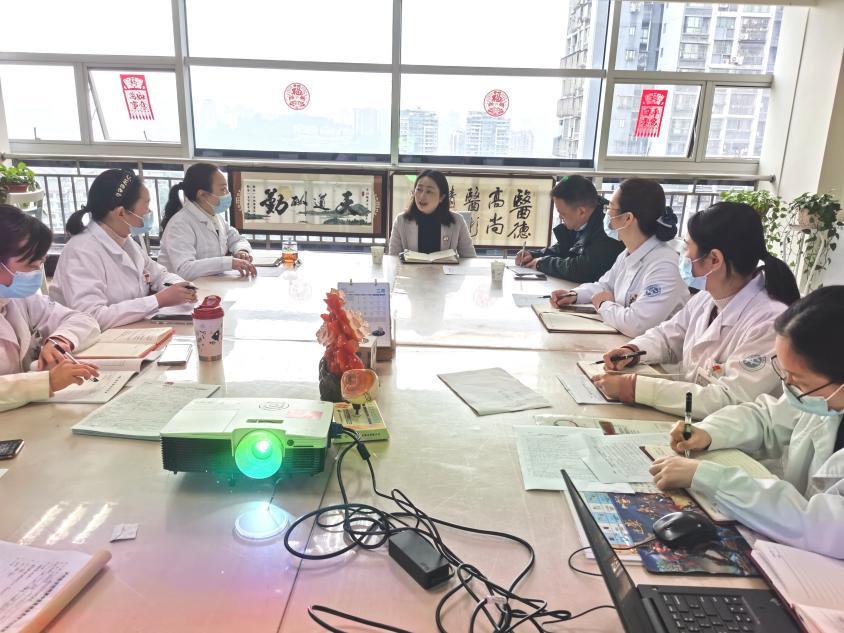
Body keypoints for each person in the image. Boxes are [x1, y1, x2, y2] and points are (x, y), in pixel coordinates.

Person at [650, 286, 844, 559]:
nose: (789, 386)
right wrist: (709, 433)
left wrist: (711, 479)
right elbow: (766, 418)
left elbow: (826, 525)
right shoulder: (825, 396)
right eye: (785, 374)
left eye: (799, 381)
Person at [593, 202, 800, 418]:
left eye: (687, 247)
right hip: (691, 420)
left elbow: (728, 399)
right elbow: (668, 335)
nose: (683, 256)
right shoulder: (707, 297)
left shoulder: (770, 322)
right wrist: (633, 351)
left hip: (735, 433)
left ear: (714, 260)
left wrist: (635, 388)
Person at [50, 169, 197, 330]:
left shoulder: (124, 240)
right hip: (91, 339)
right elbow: (91, 317)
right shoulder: (81, 251)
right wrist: (158, 300)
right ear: (121, 213)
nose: (149, 212)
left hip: (129, 331)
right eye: (146, 206)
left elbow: (159, 275)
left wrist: (180, 287)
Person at [549, 178, 687, 337]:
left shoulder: (665, 265)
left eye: (610, 208)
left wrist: (603, 304)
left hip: (651, 351)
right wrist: (574, 295)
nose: (606, 214)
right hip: (624, 342)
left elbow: (636, 324)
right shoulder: (629, 253)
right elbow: (605, 286)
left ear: (628, 218)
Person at [0, 205, 100, 412]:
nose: (36, 273)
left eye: (40, 264)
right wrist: (46, 383)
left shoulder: (16, 298)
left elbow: (84, 320)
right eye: (30, 265)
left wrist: (59, 341)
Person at [515, 175, 623, 282]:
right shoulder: (586, 216)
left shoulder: (609, 227)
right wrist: (535, 255)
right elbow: (565, 247)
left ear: (581, 212)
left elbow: (583, 269)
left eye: (563, 214)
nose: (560, 217)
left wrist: (541, 263)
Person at [158, 163, 256, 280]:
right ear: (203, 195)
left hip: (208, 284)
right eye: (223, 189)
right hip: (178, 287)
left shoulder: (214, 217)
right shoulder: (180, 224)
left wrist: (241, 250)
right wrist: (229, 263)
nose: (228, 194)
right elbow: (185, 269)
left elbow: (236, 239)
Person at [387, 170, 476, 257]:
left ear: (441, 197)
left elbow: (469, 257)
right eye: (419, 189)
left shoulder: (457, 221)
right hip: (410, 268)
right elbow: (393, 258)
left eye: (429, 191)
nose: (422, 196)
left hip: (444, 268)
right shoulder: (401, 221)